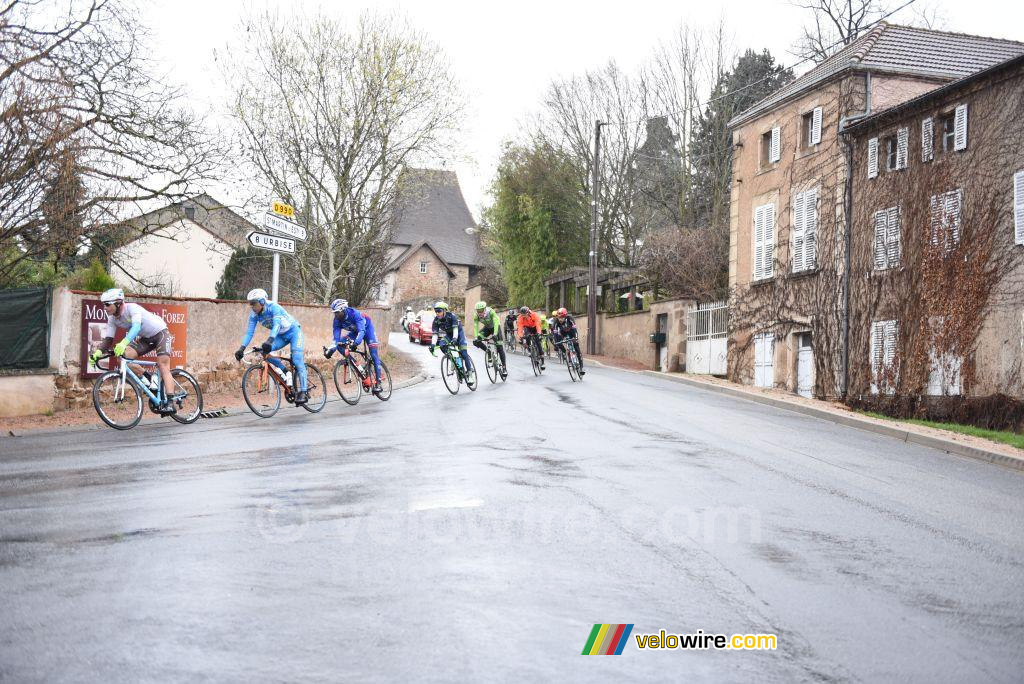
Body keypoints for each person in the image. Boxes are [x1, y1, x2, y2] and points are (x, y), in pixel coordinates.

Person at [88, 288, 179, 414]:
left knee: (163, 365)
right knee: (123, 357)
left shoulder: (132, 308)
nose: (105, 308)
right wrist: (98, 353)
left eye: (107, 304)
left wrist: (124, 342)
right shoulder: (112, 319)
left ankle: (170, 403)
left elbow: (136, 327)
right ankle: (149, 377)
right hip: (146, 338)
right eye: (104, 305)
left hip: (160, 333)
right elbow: (108, 339)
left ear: (118, 303)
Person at [233, 288, 308, 405]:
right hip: (281, 337)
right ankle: (286, 372)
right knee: (264, 352)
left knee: (297, 360)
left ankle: (304, 391)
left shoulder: (274, 307)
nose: (252, 306)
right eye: (250, 304)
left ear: (262, 302)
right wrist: (241, 348)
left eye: (254, 303)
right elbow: (249, 333)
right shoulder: (254, 315)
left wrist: (269, 340)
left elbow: (277, 325)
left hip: (294, 332)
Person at [326, 298, 383, 393]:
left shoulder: (355, 314)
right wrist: (330, 351)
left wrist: (356, 343)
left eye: (337, 312)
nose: (335, 315)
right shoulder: (337, 320)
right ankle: (357, 366)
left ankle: (378, 382)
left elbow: (362, 331)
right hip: (355, 332)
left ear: (343, 310)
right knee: (340, 344)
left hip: (367, 330)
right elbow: (335, 340)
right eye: (334, 313)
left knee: (373, 354)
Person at [429, 301, 473, 372]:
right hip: (449, 335)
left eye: (439, 311)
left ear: (444, 310)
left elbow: (455, 329)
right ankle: (453, 359)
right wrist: (433, 344)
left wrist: (455, 339)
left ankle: (470, 372)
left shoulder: (452, 316)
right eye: (436, 311)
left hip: (459, 333)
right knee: (442, 345)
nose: (437, 313)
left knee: (464, 353)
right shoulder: (436, 321)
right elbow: (435, 334)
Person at [471, 300, 506, 377]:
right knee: (476, 341)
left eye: (481, 311)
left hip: (495, 328)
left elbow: (496, 322)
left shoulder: (490, 312)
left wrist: (495, 334)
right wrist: (476, 337)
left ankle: (504, 368)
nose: (479, 313)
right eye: (478, 311)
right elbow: (476, 326)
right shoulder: (476, 315)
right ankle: (488, 351)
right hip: (487, 328)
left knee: (499, 347)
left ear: (485, 309)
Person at [551, 307, 585, 375]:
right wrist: (556, 342)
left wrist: (575, 337)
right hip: (563, 333)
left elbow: (575, 330)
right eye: (559, 317)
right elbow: (554, 333)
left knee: (576, 348)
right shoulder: (556, 321)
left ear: (565, 316)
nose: (560, 319)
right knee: (558, 343)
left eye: (562, 317)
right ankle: (565, 353)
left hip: (571, 332)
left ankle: (581, 367)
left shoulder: (570, 318)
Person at [516, 306, 545, 370]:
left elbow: (538, 324)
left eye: (525, 314)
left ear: (528, 312)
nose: (523, 316)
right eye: (522, 314)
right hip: (527, 328)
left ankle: (542, 361)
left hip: (535, 327)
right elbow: (520, 327)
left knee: (538, 342)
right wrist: (520, 336)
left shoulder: (534, 315)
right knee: (525, 339)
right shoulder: (520, 317)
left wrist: (539, 333)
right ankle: (530, 350)